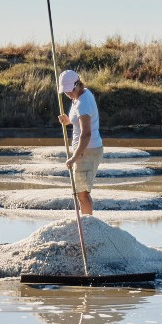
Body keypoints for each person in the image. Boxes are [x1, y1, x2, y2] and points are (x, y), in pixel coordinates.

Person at [56, 69, 103, 215]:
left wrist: (74, 157)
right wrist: (68, 121)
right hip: (84, 151)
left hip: (86, 151)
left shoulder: (83, 102)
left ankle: (87, 225)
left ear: (77, 84)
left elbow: (86, 134)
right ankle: (86, 223)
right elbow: (78, 122)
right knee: (81, 192)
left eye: (69, 91)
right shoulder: (78, 97)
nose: (68, 94)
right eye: (65, 92)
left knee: (82, 193)